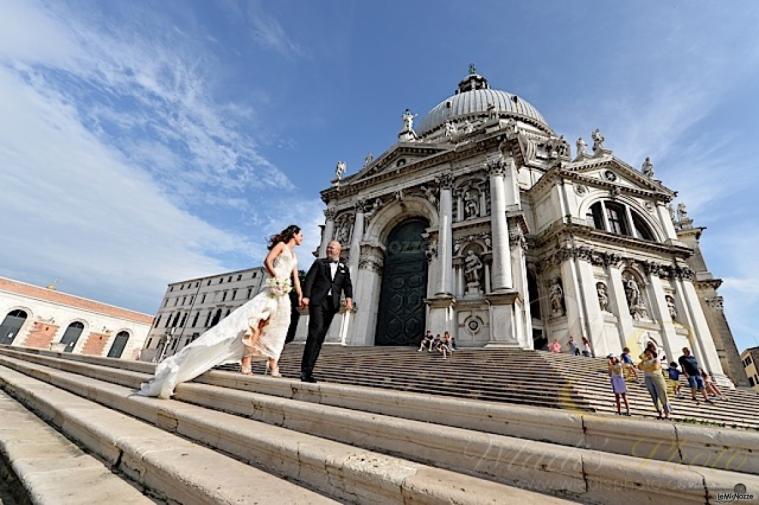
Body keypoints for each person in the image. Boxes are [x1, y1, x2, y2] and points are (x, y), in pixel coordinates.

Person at [138, 225, 303, 398]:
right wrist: (275, 277)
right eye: (301, 235)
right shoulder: (281, 247)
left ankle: (273, 365)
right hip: (272, 290)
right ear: (294, 234)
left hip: (283, 294)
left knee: (279, 328)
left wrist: (300, 294)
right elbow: (267, 261)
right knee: (256, 325)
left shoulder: (294, 255)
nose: (302, 238)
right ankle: (246, 363)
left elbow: (295, 277)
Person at [300, 240, 353, 383]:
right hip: (318, 301)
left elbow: (347, 285)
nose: (328, 250)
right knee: (315, 332)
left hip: (332, 304)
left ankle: (309, 370)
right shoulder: (319, 263)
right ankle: (305, 370)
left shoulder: (344, 268)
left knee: (320, 338)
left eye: (332, 248)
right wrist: (306, 296)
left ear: (339, 250)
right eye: (328, 247)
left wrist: (349, 298)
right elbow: (309, 280)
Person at [638, 349, 672, 419]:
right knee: (654, 396)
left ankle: (667, 412)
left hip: (657, 378)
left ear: (652, 353)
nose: (647, 355)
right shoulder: (645, 362)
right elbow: (639, 367)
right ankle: (660, 412)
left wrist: (645, 368)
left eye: (649, 354)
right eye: (646, 354)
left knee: (662, 394)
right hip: (648, 378)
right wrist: (644, 360)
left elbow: (655, 367)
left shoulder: (656, 360)